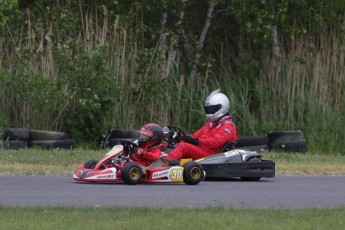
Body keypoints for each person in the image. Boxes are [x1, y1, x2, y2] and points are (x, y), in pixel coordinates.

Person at [164, 89, 238, 163]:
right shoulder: (210, 124)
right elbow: (195, 136)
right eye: (208, 110)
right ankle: (160, 161)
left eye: (212, 109)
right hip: (203, 150)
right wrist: (182, 138)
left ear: (222, 107)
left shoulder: (228, 126)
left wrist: (196, 141)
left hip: (213, 155)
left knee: (183, 146)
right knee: (174, 145)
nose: (209, 112)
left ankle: (165, 165)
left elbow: (215, 142)